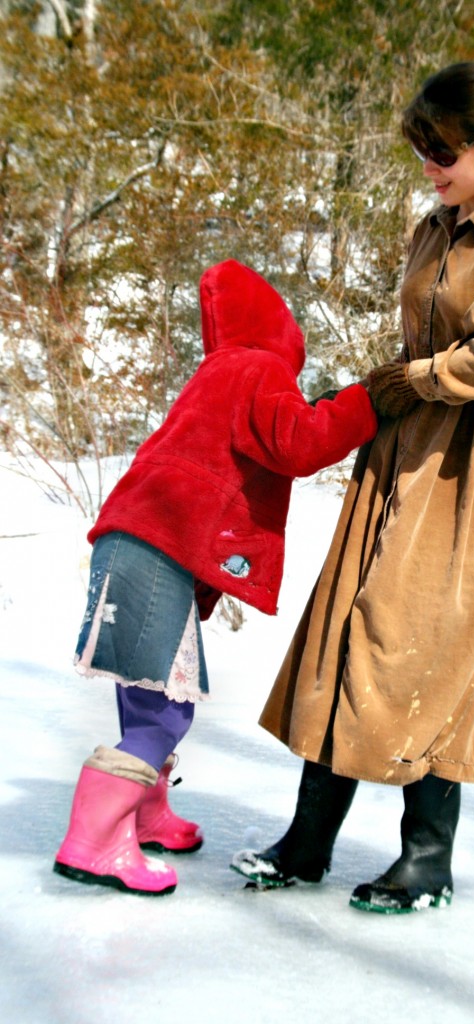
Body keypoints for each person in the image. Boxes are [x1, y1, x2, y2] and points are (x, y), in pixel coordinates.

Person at [231, 62, 474, 914]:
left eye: (444, 151)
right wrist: (384, 397)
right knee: (351, 624)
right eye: (421, 149)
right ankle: (308, 843)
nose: (429, 165)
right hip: (405, 447)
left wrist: (407, 383)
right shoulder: (437, 224)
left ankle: (426, 859)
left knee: (425, 640)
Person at [53, 259, 378, 896]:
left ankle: (145, 816)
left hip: (131, 543)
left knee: (149, 694)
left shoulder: (219, 371)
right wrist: (366, 400)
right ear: (280, 330)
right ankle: (91, 845)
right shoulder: (257, 367)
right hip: (153, 550)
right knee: (165, 713)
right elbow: (300, 441)